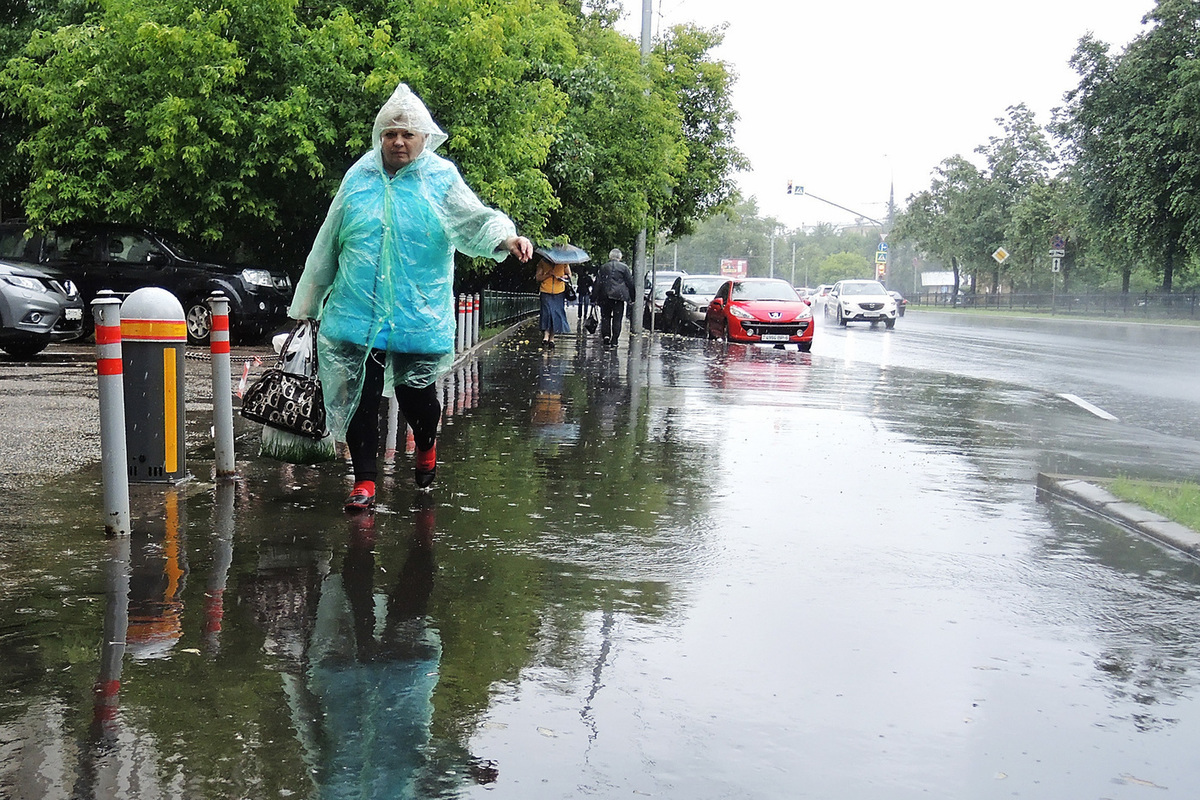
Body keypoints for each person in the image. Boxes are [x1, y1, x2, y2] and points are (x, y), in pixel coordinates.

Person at [289, 82, 534, 511]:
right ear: (379, 136)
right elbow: (328, 241)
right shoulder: (359, 177)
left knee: (415, 396)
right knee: (360, 394)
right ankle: (364, 481)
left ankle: (426, 442)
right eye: (390, 133)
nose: (398, 142)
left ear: (424, 138)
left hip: (417, 314)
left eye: (407, 134)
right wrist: (309, 301)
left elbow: (473, 220)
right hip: (357, 310)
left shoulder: (440, 178)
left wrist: (506, 238)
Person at [591, 248, 635, 347]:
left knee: (605, 317)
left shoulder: (603, 267)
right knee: (617, 319)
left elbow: (597, 283)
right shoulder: (624, 268)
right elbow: (630, 283)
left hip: (605, 296)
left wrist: (593, 298)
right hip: (619, 297)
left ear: (610, 257)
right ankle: (614, 339)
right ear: (620, 257)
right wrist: (632, 298)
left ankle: (606, 336)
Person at [534, 254, 571, 348]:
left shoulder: (564, 263)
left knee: (556, 314)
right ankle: (546, 336)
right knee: (547, 313)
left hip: (559, 292)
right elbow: (538, 277)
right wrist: (548, 274)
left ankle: (552, 338)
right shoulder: (543, 262)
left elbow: (569, 275)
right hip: (545, 291)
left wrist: (563, 277)